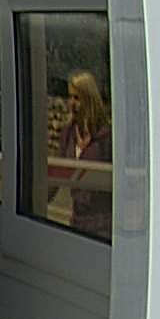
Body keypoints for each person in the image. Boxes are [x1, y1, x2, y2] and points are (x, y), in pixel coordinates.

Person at [51, 68, 112, 237]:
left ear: (89, 100)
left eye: (77, 98)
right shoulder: (68, 133)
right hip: (78, 222)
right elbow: (57, 173)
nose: (72, 103)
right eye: (70, 97)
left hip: (103, 225)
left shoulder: (107, 137)